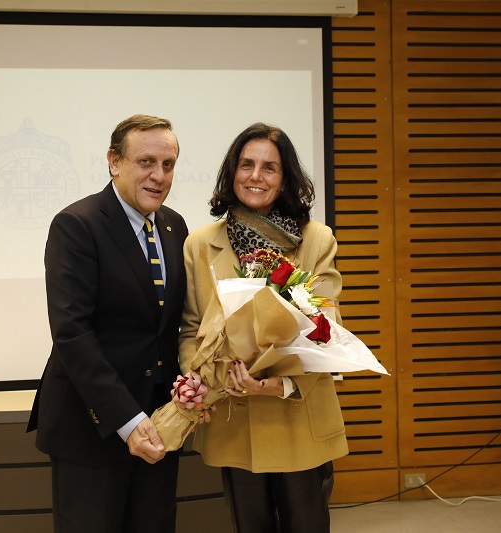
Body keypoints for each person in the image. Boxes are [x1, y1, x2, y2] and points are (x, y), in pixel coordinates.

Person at [179, 123, 348, 532]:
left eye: (269, 168)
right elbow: (189, 328)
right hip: (236, 416)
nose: (255, 176)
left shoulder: (316, 239)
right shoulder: (200, 243)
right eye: (246, 165)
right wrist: (202, 376)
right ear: (231, 173)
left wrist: (282, 384)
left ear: (285, 178)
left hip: (298, 413)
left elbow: (328, 326)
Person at [27, 114, 189, 533]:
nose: (159, 176)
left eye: (168, 164)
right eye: (146, 162)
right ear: (114, 162)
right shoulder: (77, 225)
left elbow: (170, 324)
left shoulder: (174, 225)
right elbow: (72, 334)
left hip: (160, 427)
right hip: (92, 427)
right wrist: (129, 420)